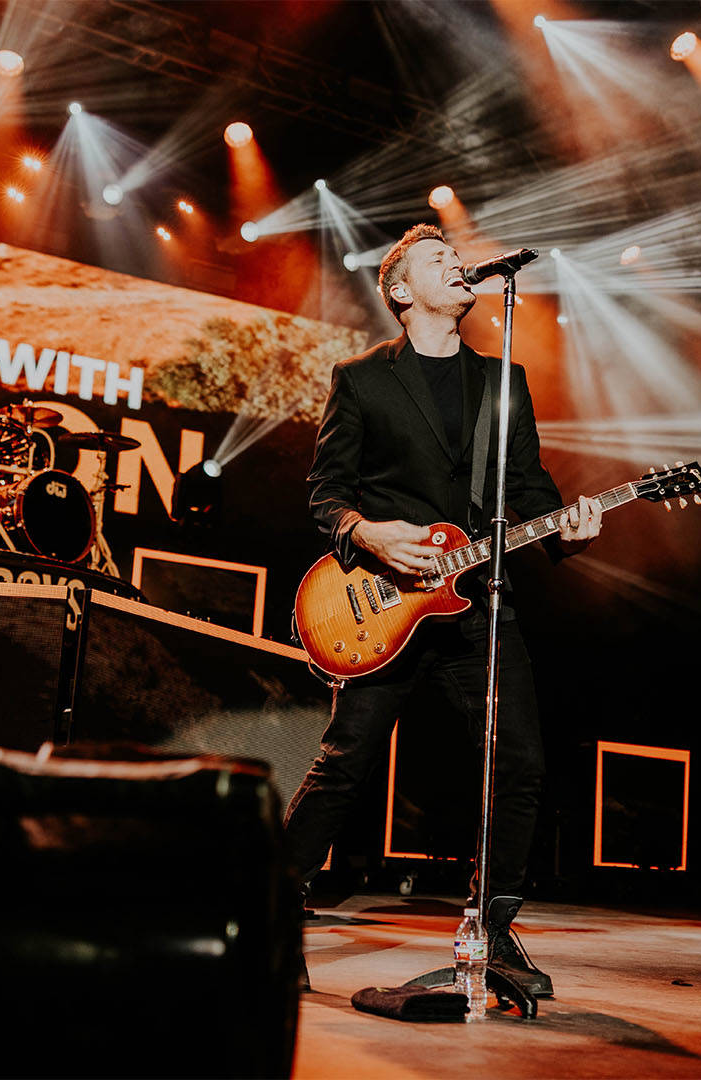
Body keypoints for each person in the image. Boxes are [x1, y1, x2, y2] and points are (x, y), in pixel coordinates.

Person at [286, 224, 600, 997]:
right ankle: (272, 908)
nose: (457, 267)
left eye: (458, 262)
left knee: (519, 764)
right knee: (344, 763)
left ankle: (490, 929)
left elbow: (524, 488)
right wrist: (368, 534)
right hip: (384, 607)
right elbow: (326, 492)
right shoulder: (361, 379)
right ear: (400, 292)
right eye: (439, 261)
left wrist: (567, 531)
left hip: (478, 602)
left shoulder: (505, 380)